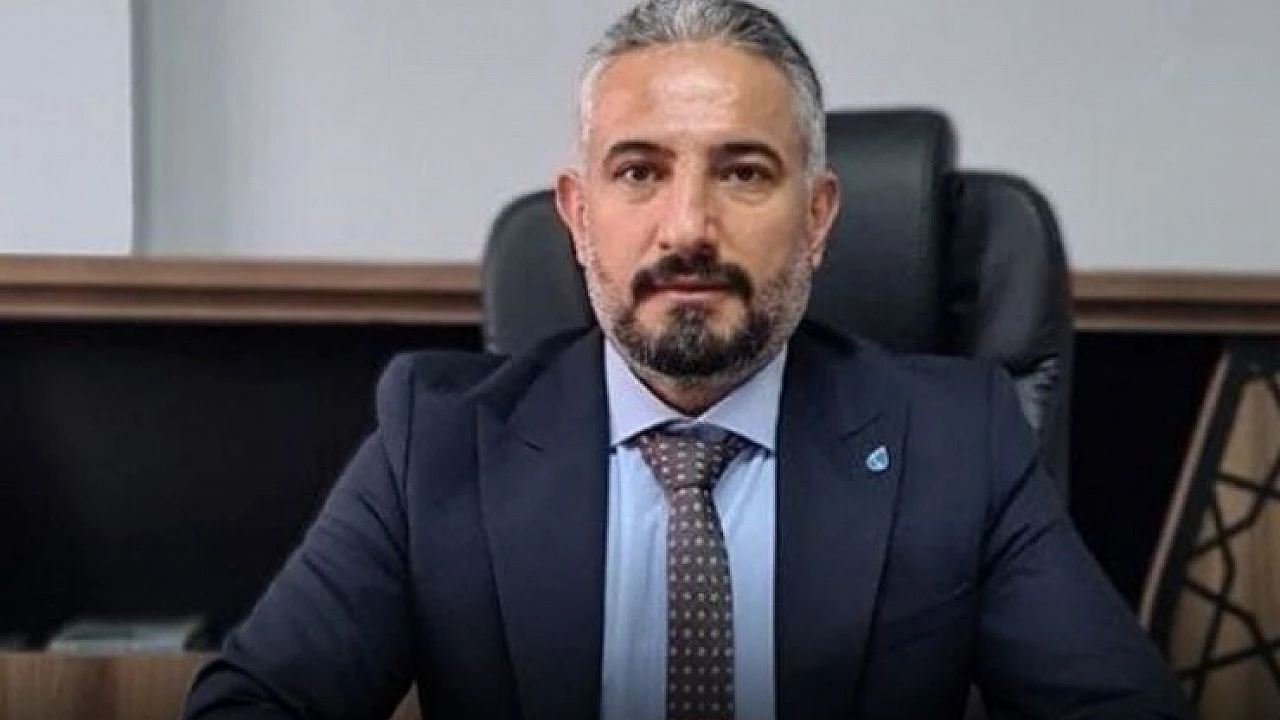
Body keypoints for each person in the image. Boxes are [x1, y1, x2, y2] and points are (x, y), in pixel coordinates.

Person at [183, 1, 1191, 718]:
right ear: (579, 216)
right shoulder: (438, 443)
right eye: (638, 172)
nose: (688, 227)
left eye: (742, 173)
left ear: (817, 217)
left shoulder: (955, 444)